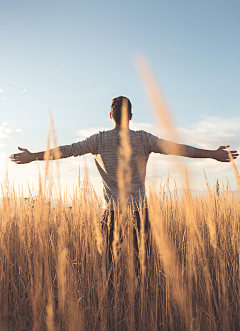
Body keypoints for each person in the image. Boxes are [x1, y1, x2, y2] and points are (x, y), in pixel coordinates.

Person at [10, 96, 239, 275]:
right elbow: (179, 149)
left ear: (110, 115)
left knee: (109, 270)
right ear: (130, 116)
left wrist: (34, 156)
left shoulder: (98, 140)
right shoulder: (143, 138)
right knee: (141, 268)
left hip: (110, 214)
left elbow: (65, 151)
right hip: (140, 212)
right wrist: (213, 154)